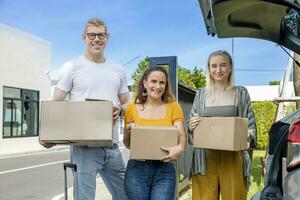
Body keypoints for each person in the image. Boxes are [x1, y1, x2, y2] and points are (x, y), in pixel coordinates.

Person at [39, 18, 129, 200]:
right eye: (92, 35)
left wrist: (120, 109)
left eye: (101, 35)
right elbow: (56, 102)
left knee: (126, 195)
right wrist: (47, 134)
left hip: (111, 145)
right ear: (84, 37)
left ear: (107, 37)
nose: (97, 39)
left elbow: (128, 103)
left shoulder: (118, 70)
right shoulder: (71, 67)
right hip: (83, 148)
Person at [188, 50, 257, 200]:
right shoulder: (200, 94)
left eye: (223, 65)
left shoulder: (241, 93)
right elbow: (191, 125)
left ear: (230, 68)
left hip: (232, 156)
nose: (218, 70)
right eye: (214, 66)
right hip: (204, 157)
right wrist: (191, 126)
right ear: (209, 68)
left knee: (234, 196)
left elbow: (250, 124)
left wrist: (247, 136)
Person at [123, 66, 186, 200]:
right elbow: (128, 145)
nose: (158, 86)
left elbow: (181, 136)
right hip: (137, 169)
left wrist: (179, 149)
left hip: (165, 169)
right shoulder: (131, 109)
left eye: (162, 82)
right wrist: (128, 132)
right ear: (145, 83)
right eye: (154, 81)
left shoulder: (173, 107)